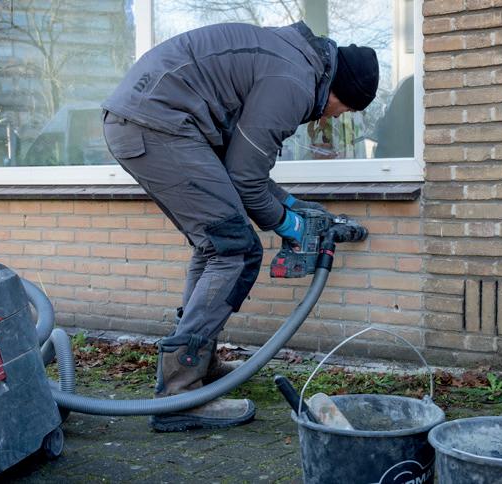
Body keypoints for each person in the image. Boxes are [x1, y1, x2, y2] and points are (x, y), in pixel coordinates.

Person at [101, 21, 379, 432]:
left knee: (216, 245)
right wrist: (289, 225)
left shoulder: (293, 62)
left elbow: (243, 165)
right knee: (234, 248)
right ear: (341, 90)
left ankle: (198, 365)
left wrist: (290, 204)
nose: (338, 117)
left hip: (151, 119)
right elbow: (245, 179)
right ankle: (178, 394)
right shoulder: (294, 82)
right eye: (347, 110)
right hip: (159, 124)